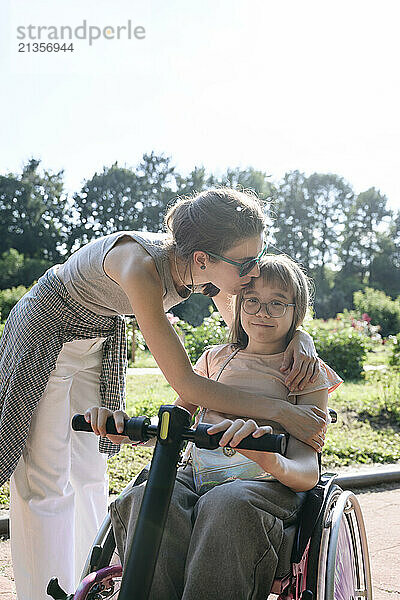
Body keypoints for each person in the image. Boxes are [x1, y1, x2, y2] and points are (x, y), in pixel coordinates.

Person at [0, 187, 325, 600]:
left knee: (88, 473)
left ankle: (89, 582)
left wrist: (304, 341)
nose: (253, 272)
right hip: (48, 327)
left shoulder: (208, 268)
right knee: (45, 478)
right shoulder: (141, 267)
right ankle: (42, 592)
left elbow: (252, 335)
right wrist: (284, 411)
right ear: (204, 260)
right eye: (247, 262)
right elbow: (188, 385)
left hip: (99, 335)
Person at [105, 254, 342, 600]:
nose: (262, 312)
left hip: (267, 484)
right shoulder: (214, 359)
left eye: (277, 303)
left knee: (227, 504)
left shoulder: (305, 374)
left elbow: (307, 472)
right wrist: (127, 429)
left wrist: (268, 460)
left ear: (297, 312)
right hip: (197, 471)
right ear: (238, 304)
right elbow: (173, 420)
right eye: (253, 301)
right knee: (146, 497)